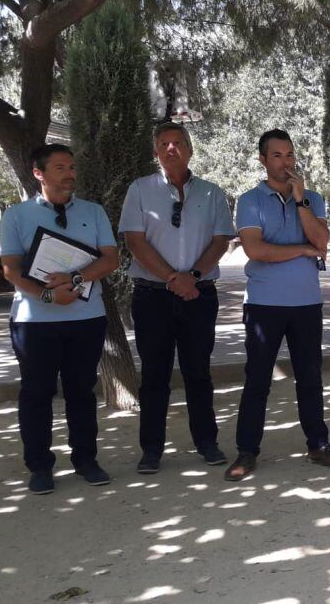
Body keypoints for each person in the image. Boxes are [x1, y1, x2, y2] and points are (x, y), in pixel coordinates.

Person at [224, 129, 330, 481]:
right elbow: (257, 250)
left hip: (307, 303)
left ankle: (318, 444)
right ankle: (247, 450)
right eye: (276, 155)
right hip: (264, 304)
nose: (285, 162)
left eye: (289, 154)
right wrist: (302, 249)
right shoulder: (249, 200)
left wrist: (301, 200)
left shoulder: (312, 198)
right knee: (257, 380)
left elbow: (321, 242)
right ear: (263, 160)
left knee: (310, 378)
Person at [0, 144, 120, 494]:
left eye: (71, 167)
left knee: (81, 392)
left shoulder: (93, 212)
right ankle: (39, 467)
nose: (70, 174)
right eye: (60, 168)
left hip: (86, 318)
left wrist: (77, 280)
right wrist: (50, 295)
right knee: (37, 393)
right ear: (39, 173)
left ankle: (86, 460)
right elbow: (12, 270)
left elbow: (110, 259)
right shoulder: (16, 215)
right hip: (33, 322)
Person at [119, 122, 235, 474]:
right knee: (154, 375)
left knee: (198, 372)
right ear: (156, 152)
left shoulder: (213, 193)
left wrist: (193, 277)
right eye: (164, 144)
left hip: (199, 296)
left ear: (190, 150)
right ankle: (151, 449)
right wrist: (173, 278)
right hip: (152, 297)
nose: (171, 148)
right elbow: (135, 241)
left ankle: (207, 442)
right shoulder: (139, 190)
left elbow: (220, 241)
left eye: (178, 143)